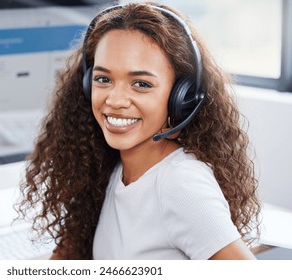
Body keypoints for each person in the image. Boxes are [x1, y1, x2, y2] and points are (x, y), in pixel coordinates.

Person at [17, 2, 261, 260]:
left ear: (181, 97)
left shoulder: (180, 183)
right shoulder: (112, 165)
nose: (115, 100)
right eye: (103, 79)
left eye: (141, 84)